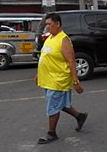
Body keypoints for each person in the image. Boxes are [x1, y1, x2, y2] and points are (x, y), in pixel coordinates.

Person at [35, 13, 87, 144]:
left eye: (49, 24)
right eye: (46, 24)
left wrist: (76, 82)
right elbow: (45, 56)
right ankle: (80, 116)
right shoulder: (51, 37)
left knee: (53, 106)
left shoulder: (63, 40)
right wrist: (38, 74)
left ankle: (51, 133)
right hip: (48, 79)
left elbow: (71, 61)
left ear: (57, 24)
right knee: (60, 104)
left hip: (57, 80)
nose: (47, 27)